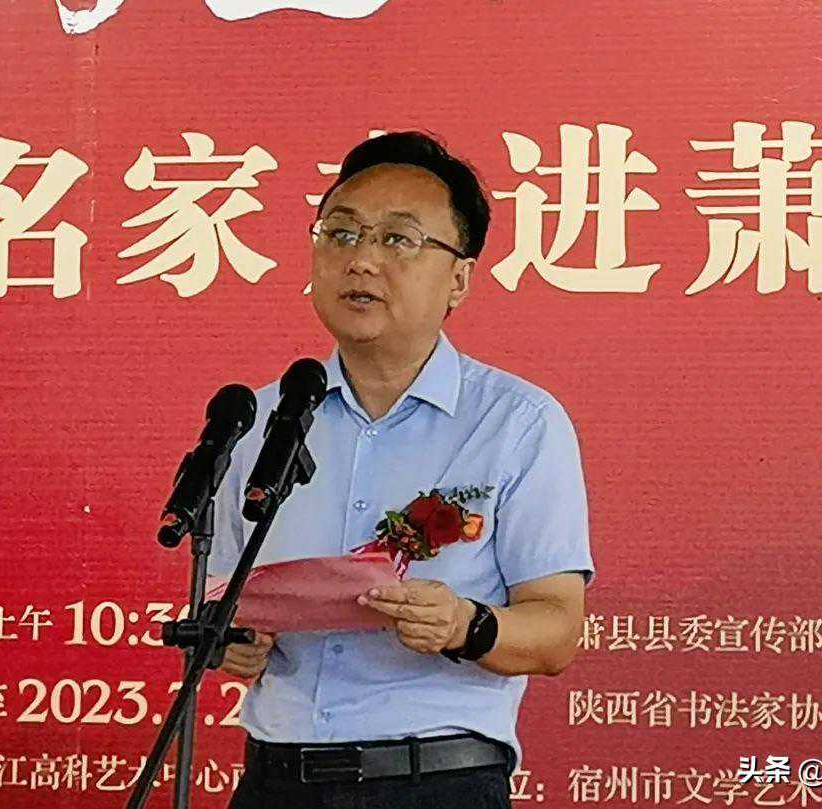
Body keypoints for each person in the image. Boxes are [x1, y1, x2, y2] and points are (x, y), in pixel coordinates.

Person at [207, 130, 595, 809]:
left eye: (398, 239)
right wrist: (233, 642)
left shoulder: (517, 423)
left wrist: (465, 625)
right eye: (341, 234)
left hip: (436, 781)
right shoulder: (259, 421)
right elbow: (223, 600)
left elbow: (557, 630)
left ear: (459, 279)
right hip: (275, 780)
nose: (361, 259)